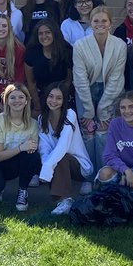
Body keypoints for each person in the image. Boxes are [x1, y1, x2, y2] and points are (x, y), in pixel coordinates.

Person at [72, 5, 128, 165]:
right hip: (85, 91)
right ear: (90, 22)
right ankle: (89, 176)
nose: (100, 24)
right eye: (96, 21)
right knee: (88, 131)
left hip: (111, 91)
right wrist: (89, 110)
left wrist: (103, 108)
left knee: (104, 131)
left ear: (111, 23)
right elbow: (80, 79)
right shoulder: (80, 45)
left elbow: (116, 77)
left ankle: (104, 175)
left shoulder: (120, 45)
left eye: (104, 20)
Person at [0, 83, 41, 212]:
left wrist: (25, 149)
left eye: (21, 97)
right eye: (12, 97)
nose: (17, 101)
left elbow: (31, 150)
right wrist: (21, 148)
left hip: (13, 161)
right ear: (6, 101)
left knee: (32, 155)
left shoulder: (33, 124)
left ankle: (22, 192)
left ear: (27, 101)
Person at [37, 82, 94, 216]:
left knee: (61, 156)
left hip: (79, 167)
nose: (54, 101)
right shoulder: (41, 118)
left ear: (64, 100)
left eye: (59, 98)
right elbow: (43, 147)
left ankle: (65, 200)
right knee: (49, 156)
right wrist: (46, 165)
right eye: (51, 96)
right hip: (56, 163)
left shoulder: (70, 114)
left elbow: (63, 146)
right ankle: (60, 200)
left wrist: (46, 169)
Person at [24, 19, 72, 116]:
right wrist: (37, 106)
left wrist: (57, 101)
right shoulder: (31, 52)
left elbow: (68, 80)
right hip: (39, 95)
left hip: (62, 95)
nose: (44, 36)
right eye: (40, 33)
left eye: (48, 32)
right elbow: (31, 83)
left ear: (55, 33)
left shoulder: (66, 51)